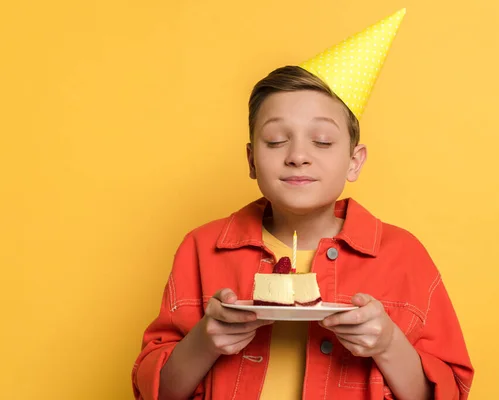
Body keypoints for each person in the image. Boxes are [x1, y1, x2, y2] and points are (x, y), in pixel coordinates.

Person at [132, 9, 474, 400]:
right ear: (250, 160)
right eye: (276, 140)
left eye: (323, 141)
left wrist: (387, 345)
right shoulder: (201, 248)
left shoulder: (404, 256)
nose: (298, 155)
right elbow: (156, 393)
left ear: (354, 161)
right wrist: (204, 342)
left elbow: (447, 392)